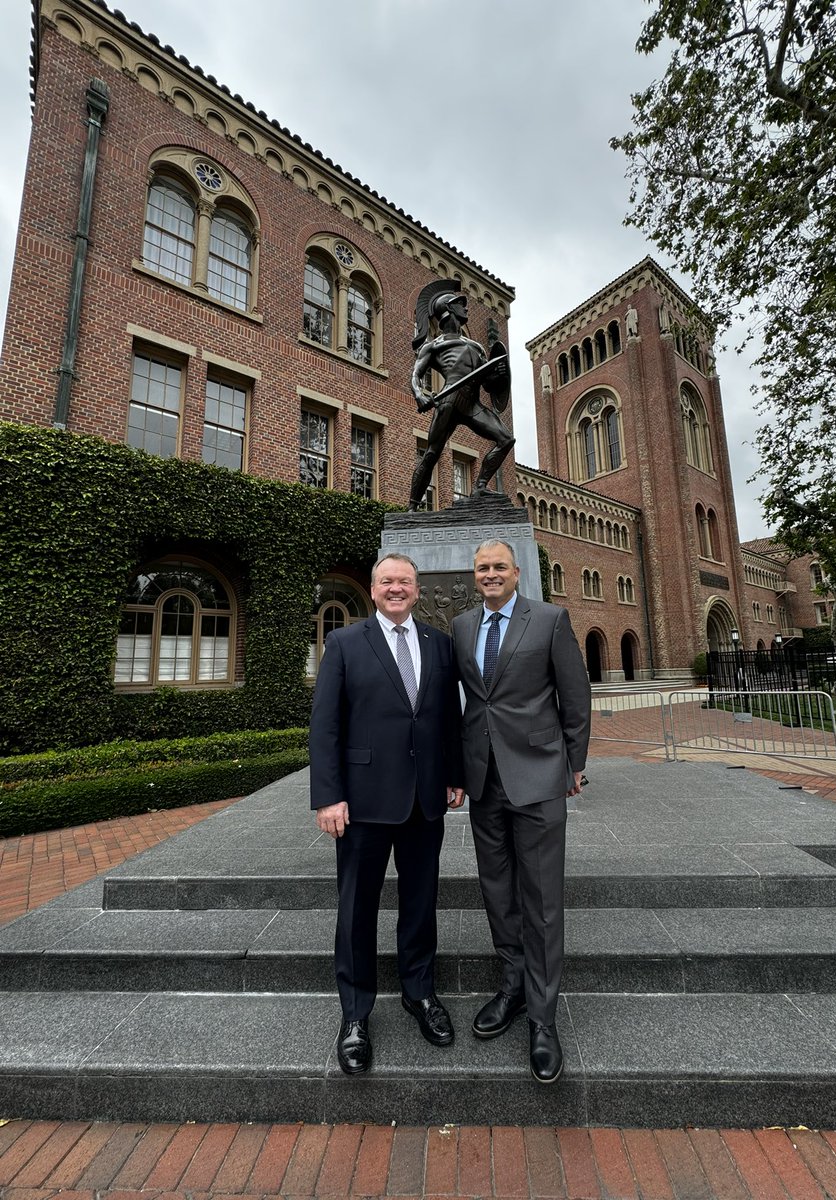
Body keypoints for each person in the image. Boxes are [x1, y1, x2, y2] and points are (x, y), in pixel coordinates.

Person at [309, 553, 465, 1075]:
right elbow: (325, 727)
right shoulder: (346, 644)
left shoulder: (438, 644)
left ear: (417, 591)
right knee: (356, 910)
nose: (396, 589)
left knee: (421, 904)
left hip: (425, 801)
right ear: (373, 591)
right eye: (386, 581)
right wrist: (328, 796)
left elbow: (447, 719)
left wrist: (454, 774)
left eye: (404, 582)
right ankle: (355, 1014)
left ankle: (420, 995)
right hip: (363, 803)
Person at [451, 539, 591, 1083]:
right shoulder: (462, 627)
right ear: (476, 575)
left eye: (498, 567)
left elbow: (574, 698)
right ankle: (510, 988)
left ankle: (542, 1017)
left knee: (542, 899)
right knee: (498, 891)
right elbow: (468, 702)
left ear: (516, 573)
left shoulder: (550, 620)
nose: (490, 575)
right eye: (482, 568)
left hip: (538, 776)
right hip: (484, 781)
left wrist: (573, 765)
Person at [407, 287, 514, 510]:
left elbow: (488, 383)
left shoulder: (477, 347)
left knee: (506, 439)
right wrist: (419, 395)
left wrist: (499, 375)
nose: (466, 307)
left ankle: (480, 487)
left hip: (473, 404)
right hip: (449, 401)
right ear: (448, 309)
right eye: (460, 303)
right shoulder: (433, 345)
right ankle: (412, 507)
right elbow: (416, 374)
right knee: (432, 454)